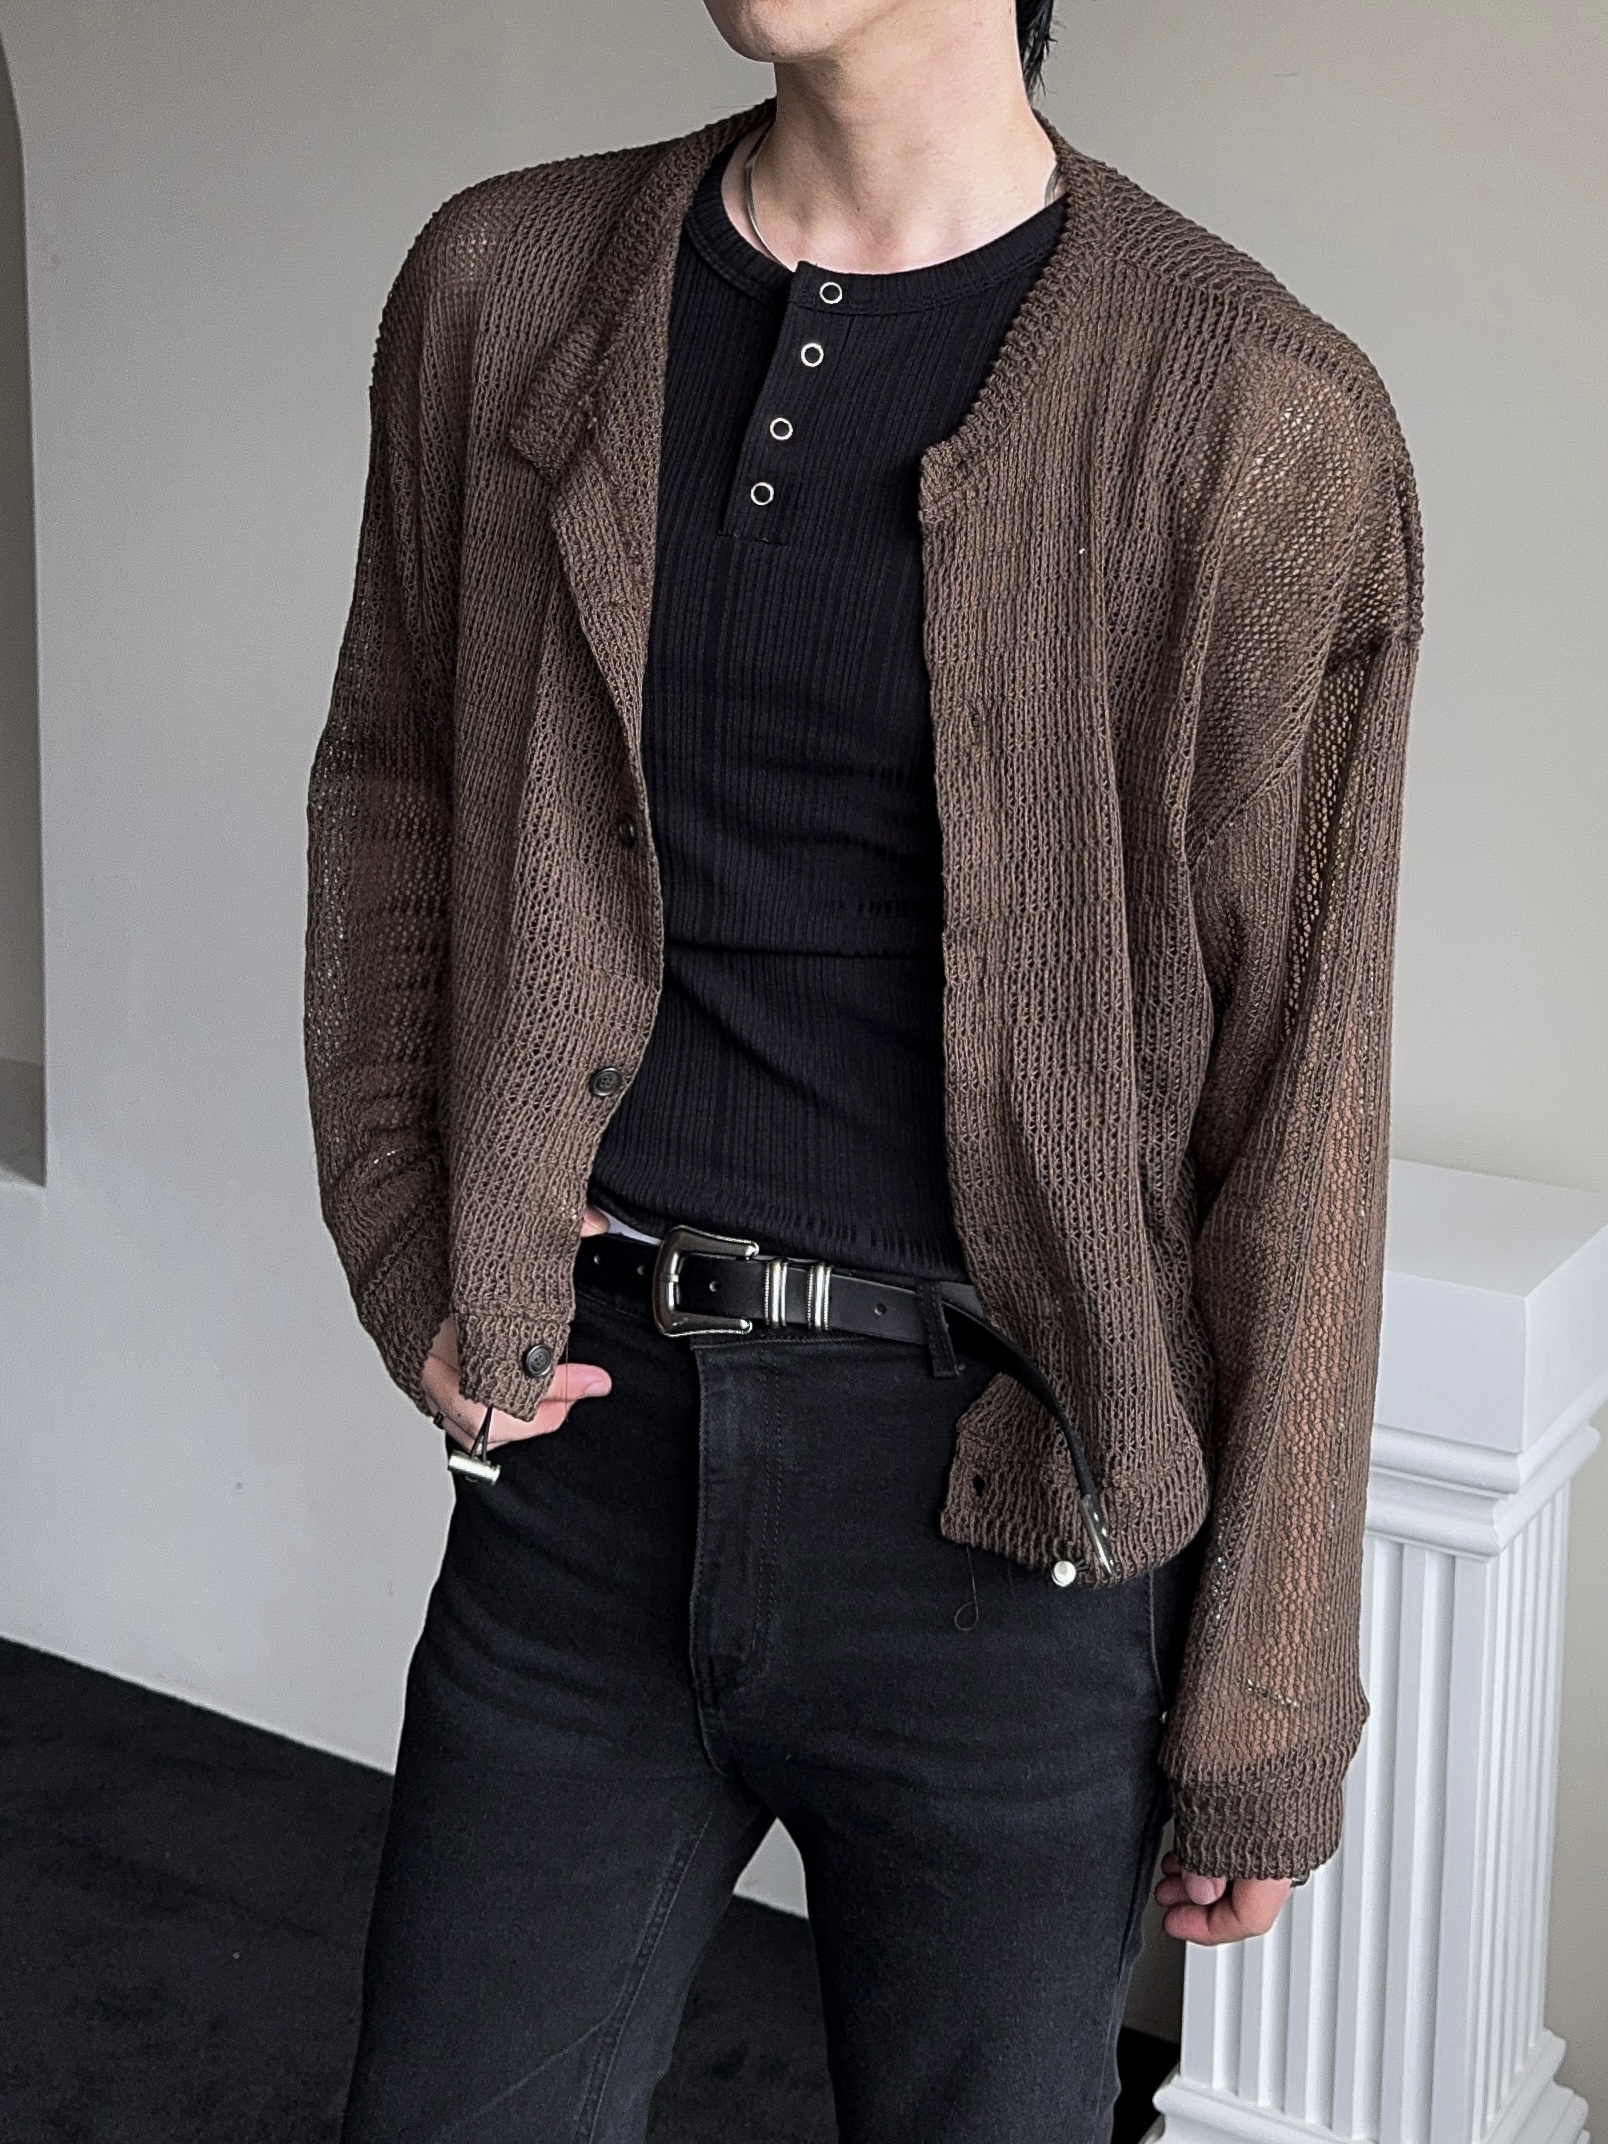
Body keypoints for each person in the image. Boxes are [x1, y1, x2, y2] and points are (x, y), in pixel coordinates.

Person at [305, 0, 1421, 2135]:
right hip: (589, 1477)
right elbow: (393, 790)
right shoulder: (504, 286)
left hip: (1009, 1526)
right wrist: (408, 1236)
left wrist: (1265, 1709)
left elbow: (1305, 1104)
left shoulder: (1262, 417)